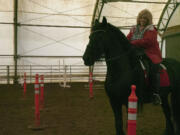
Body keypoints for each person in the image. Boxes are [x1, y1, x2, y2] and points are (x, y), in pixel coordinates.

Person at [127, 9, 162, 105]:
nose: (142, 20)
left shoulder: (152, 29)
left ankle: (155, 94)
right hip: (135, 52)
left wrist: (132, 43)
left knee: (153, 69)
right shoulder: (134, 29)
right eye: (141, 18)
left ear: (148, 20)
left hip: (150, 53)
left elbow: (147, 42)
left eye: (145, 18)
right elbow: (128, 38)